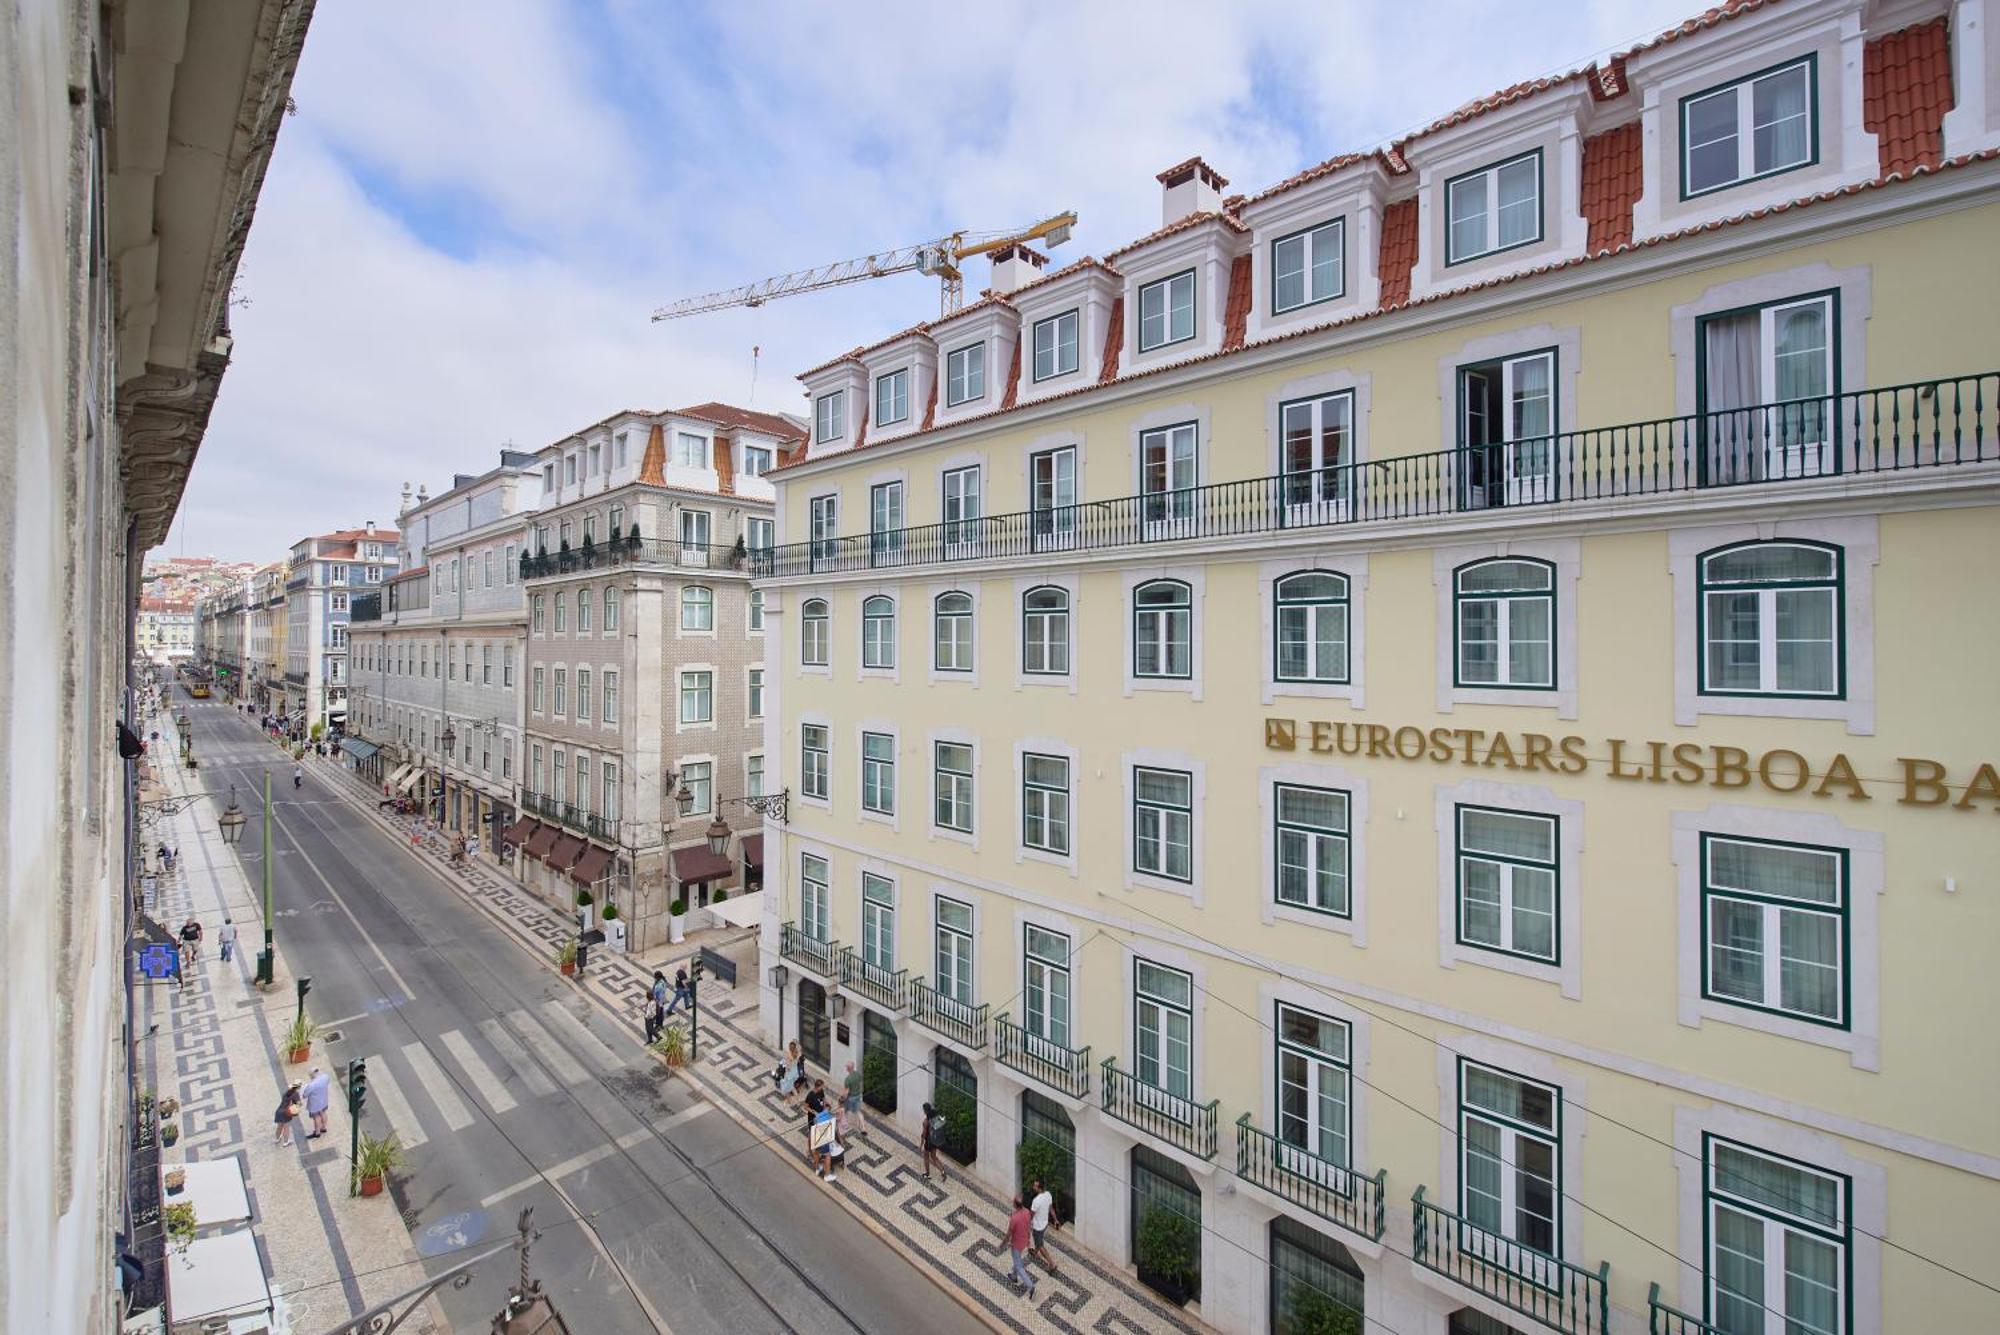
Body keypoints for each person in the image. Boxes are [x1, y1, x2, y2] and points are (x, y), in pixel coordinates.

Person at [1006, 1196, 1037, 1299]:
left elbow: (1009, 1233)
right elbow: (1028, 1226)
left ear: (1015, 1205)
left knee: (1019, 1266)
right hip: (1024, 1241)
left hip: (1016, 1244)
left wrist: (1003, 1243)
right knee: (1017, 1259)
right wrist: (1028, 1240)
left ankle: (1030, 1285)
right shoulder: (1027, 1212)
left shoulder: (1014, 1218)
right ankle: (1014, 1276)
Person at [1029, 1178, 1060, 1274]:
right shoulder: (1048, 1195)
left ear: (1039, 1188)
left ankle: (1051, 1264)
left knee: (1040, 1244)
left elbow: (1031, 1215)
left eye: (1035, 1186)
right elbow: (1051, 1209)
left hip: (1038, 1227)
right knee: (1039, 1240)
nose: (1033, 1187)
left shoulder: (1036, 1201)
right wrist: (1055, 1220)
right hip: (1045, 1224)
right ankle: (1035, 1252)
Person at [810, 1102, 839, 1183]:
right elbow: (834, 1129)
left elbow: (815, 1123)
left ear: (823, 1108)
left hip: (816, 1137)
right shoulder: (830, 1117)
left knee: (816, 1153)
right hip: (824, 1139)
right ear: (829, 1109)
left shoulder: (818, 1115)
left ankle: (816, 1169)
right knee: (827, 1156)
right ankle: (827, 1175)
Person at [301, 1066, 333, 1139]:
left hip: (315, 1104)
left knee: (316, 1117)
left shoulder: (312, 1085)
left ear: (312, 1075)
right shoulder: (325, 1077)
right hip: (324, 1100)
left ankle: (317, 1132)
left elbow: (305, 1095)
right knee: (323, 1113)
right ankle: (323, 1127)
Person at [920, 1101, 948, 1183]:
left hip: (928, 1142)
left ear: (925, 1111)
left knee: (926, 1157)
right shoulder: (935, 1117)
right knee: (934, 1157)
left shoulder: (926, 1122)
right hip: (934, 1141)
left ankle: (927, 1174)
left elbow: (924, 1134)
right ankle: (942, 1170)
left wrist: (921, 1144)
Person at [841, 1060, 866, 1136]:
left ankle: (845, 1125)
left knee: (845, 1111)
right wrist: (861, 1091)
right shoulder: (858, 1074)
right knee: (858, 1112)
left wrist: (843, 1098)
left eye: (846, 1067)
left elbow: (847, 1092)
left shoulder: (848, 1079)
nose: (846, 1069)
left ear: (848, 1068)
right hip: (858, 1096)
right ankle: (863, 1128)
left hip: (850, 1098)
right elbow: (861, 1083)